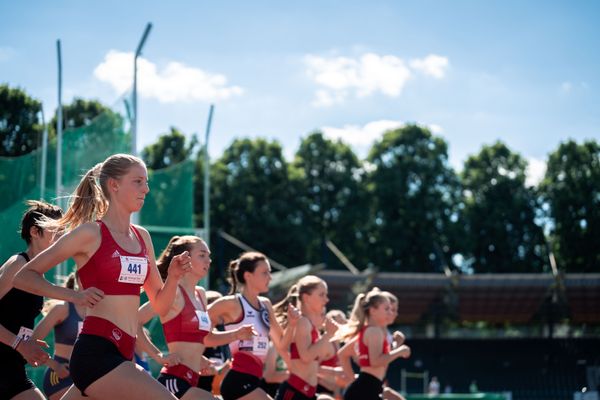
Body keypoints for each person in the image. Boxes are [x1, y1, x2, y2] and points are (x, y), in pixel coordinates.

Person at [14, 153, 192, 400]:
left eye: (147, 182)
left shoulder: (143, 237)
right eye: (138, 181)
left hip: (123, 353)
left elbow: (161, 305)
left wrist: (172, 277)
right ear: (114, 185)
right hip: (97, 354)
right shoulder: (90, 233)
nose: (147, 189)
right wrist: (74, 296)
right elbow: (24, 276)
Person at [136, 235, 255, 399]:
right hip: (174, 380)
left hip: (192, 380)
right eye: (202, 255)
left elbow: (206, 338)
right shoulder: (174, 292)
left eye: (209, 256)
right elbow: (135, 321)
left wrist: (236, 334)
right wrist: (158, 355)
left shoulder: (201, 294)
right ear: (185, 258)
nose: (209, 260)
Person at [208, 251, 299, 400]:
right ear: (248, 276)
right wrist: (202, 353)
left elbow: (281, 343)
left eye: (269, 273)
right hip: (237, 380)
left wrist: (292, 324)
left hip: (254, 379)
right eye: (264, 273)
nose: (270, 277)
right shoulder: (231, 303)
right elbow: (197, 322)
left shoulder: (266, 304)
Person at [0, 200, 62, 400]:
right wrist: (20, 344)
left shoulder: (37, 274)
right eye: (56, 231)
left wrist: (28, 342)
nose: (62, 238)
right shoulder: (18, 264)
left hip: (12, 369)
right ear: (35, 232)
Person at [273, 275, 340, 400]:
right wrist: (328, 335)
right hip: (296, 392)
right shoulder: (302, 322)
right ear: (306, 298)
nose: (326, 299)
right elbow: (306, 356)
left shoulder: (310, 324)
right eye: (321, 295)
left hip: (306, 392)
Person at [337, 288, 411, 400]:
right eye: (387, 309)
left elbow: (342, 354)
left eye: (392, 309)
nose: (391, 313)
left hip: (368, 388)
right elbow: (376, 361)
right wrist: (400, 351)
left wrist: (352, 380)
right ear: (372, 311)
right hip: (365, 389)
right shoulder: (374, 331)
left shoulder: (371, 331)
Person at [30, 272, 85, 400]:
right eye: (85, 276)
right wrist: (54, 365)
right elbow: (31, 341)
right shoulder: (62, 308)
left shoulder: (99, 310)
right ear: (78, 280)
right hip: (61, 375)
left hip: (87, 374)